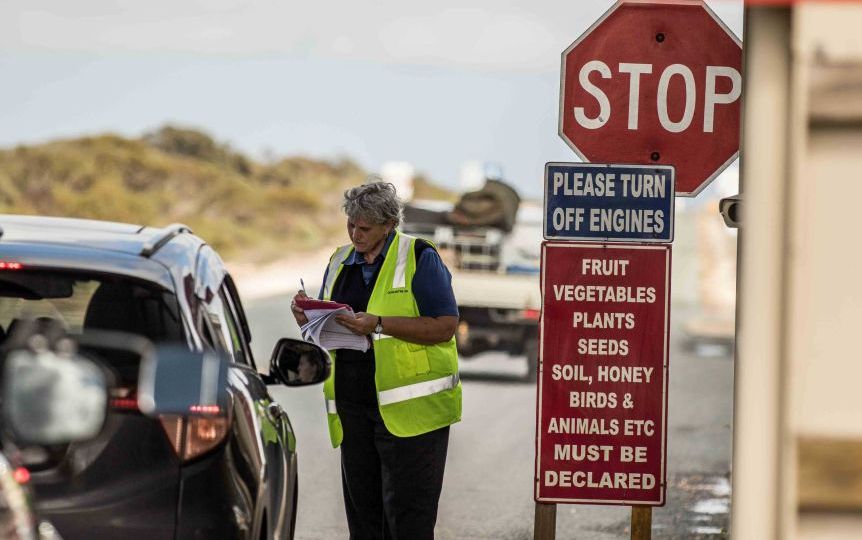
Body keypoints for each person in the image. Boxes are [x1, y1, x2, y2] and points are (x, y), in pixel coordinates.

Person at [291, 180, 461, 540]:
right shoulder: (339, 260)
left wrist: (379, 324)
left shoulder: (419, 258)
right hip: (354, 410)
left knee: (409, 522)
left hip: (413, 417)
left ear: (388, 224)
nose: (355, 233)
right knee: (364, 520)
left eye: (365, 227)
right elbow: (329, 320)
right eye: (351, 225)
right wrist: (308, 317)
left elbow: (445, 326)